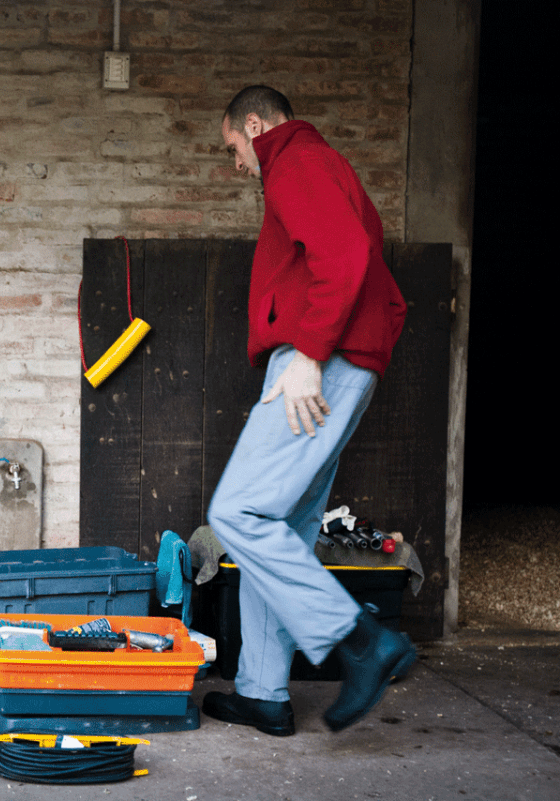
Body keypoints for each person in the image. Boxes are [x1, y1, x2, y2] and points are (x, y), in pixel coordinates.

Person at [201, 85, 416, 735]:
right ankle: (264, 690)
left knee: (235, 512)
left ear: (257, 125)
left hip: (318, 358)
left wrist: (312, 354)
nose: (236, 163)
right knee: (282, 527)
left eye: (234, 146)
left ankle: (361, 640)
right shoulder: (323, 166)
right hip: (334, 357)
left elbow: (346, 259)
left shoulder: (297, 161)